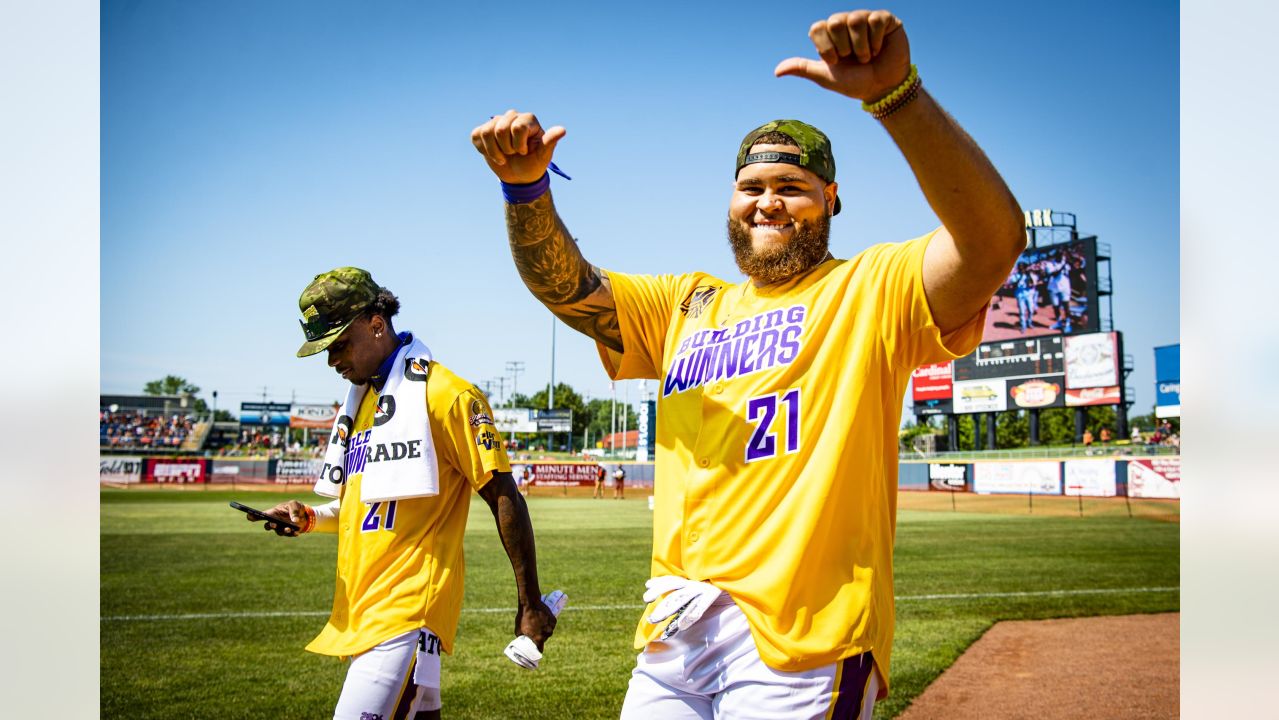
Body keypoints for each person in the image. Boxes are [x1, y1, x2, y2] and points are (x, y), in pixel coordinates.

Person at [471, 9, 1023, 718]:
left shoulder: (869, 289)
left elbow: (992, 241)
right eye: (751, 186)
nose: (767, 202)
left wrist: (897, 96)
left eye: (791, 186)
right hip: (675, 632)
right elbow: (566, 287)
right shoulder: (685, 303)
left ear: (831, 200)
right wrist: (525, 190)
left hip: (805, 642)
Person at [250, 267, 557, 720]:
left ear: (376, 324)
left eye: (338, 344)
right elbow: (361, 508)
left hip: (407, 612)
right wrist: (308, 517)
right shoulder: (362, 403)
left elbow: (503, 494)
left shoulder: (446, 395)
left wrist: (530, 603)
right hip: (365, 611)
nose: (332, 361)